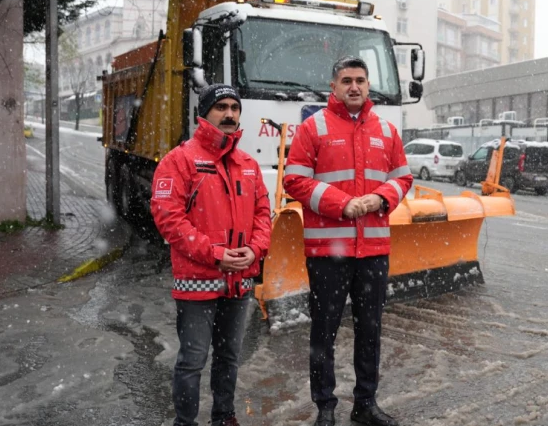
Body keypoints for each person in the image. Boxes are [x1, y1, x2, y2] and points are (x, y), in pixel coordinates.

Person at [283, 56, 413, 426]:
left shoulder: (387, 131)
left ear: (368, 85)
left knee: (370, 330)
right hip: (328, 252)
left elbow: (403, 178)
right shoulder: (313, 128)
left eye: (360, 80)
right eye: (346, 80)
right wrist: (344, 204)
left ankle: (365, 404)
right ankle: (325, 407)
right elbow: (294, 181)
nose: (353, 86)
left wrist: (381, 198)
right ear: (334, 86)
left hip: (373, 250)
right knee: (323, 330)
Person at [150, 84, 272, 426]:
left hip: (239, 280)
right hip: (197, 280)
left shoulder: (248, 164)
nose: (230, 113)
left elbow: (264, 213)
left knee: (229, 357)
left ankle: (224, 417)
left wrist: (255, 249)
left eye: (235, 107)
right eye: (221, 107)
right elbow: (169, 219)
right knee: (192, 359)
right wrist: (215, 255)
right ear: (203, 114)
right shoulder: (180, 160)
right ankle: (185, 422)